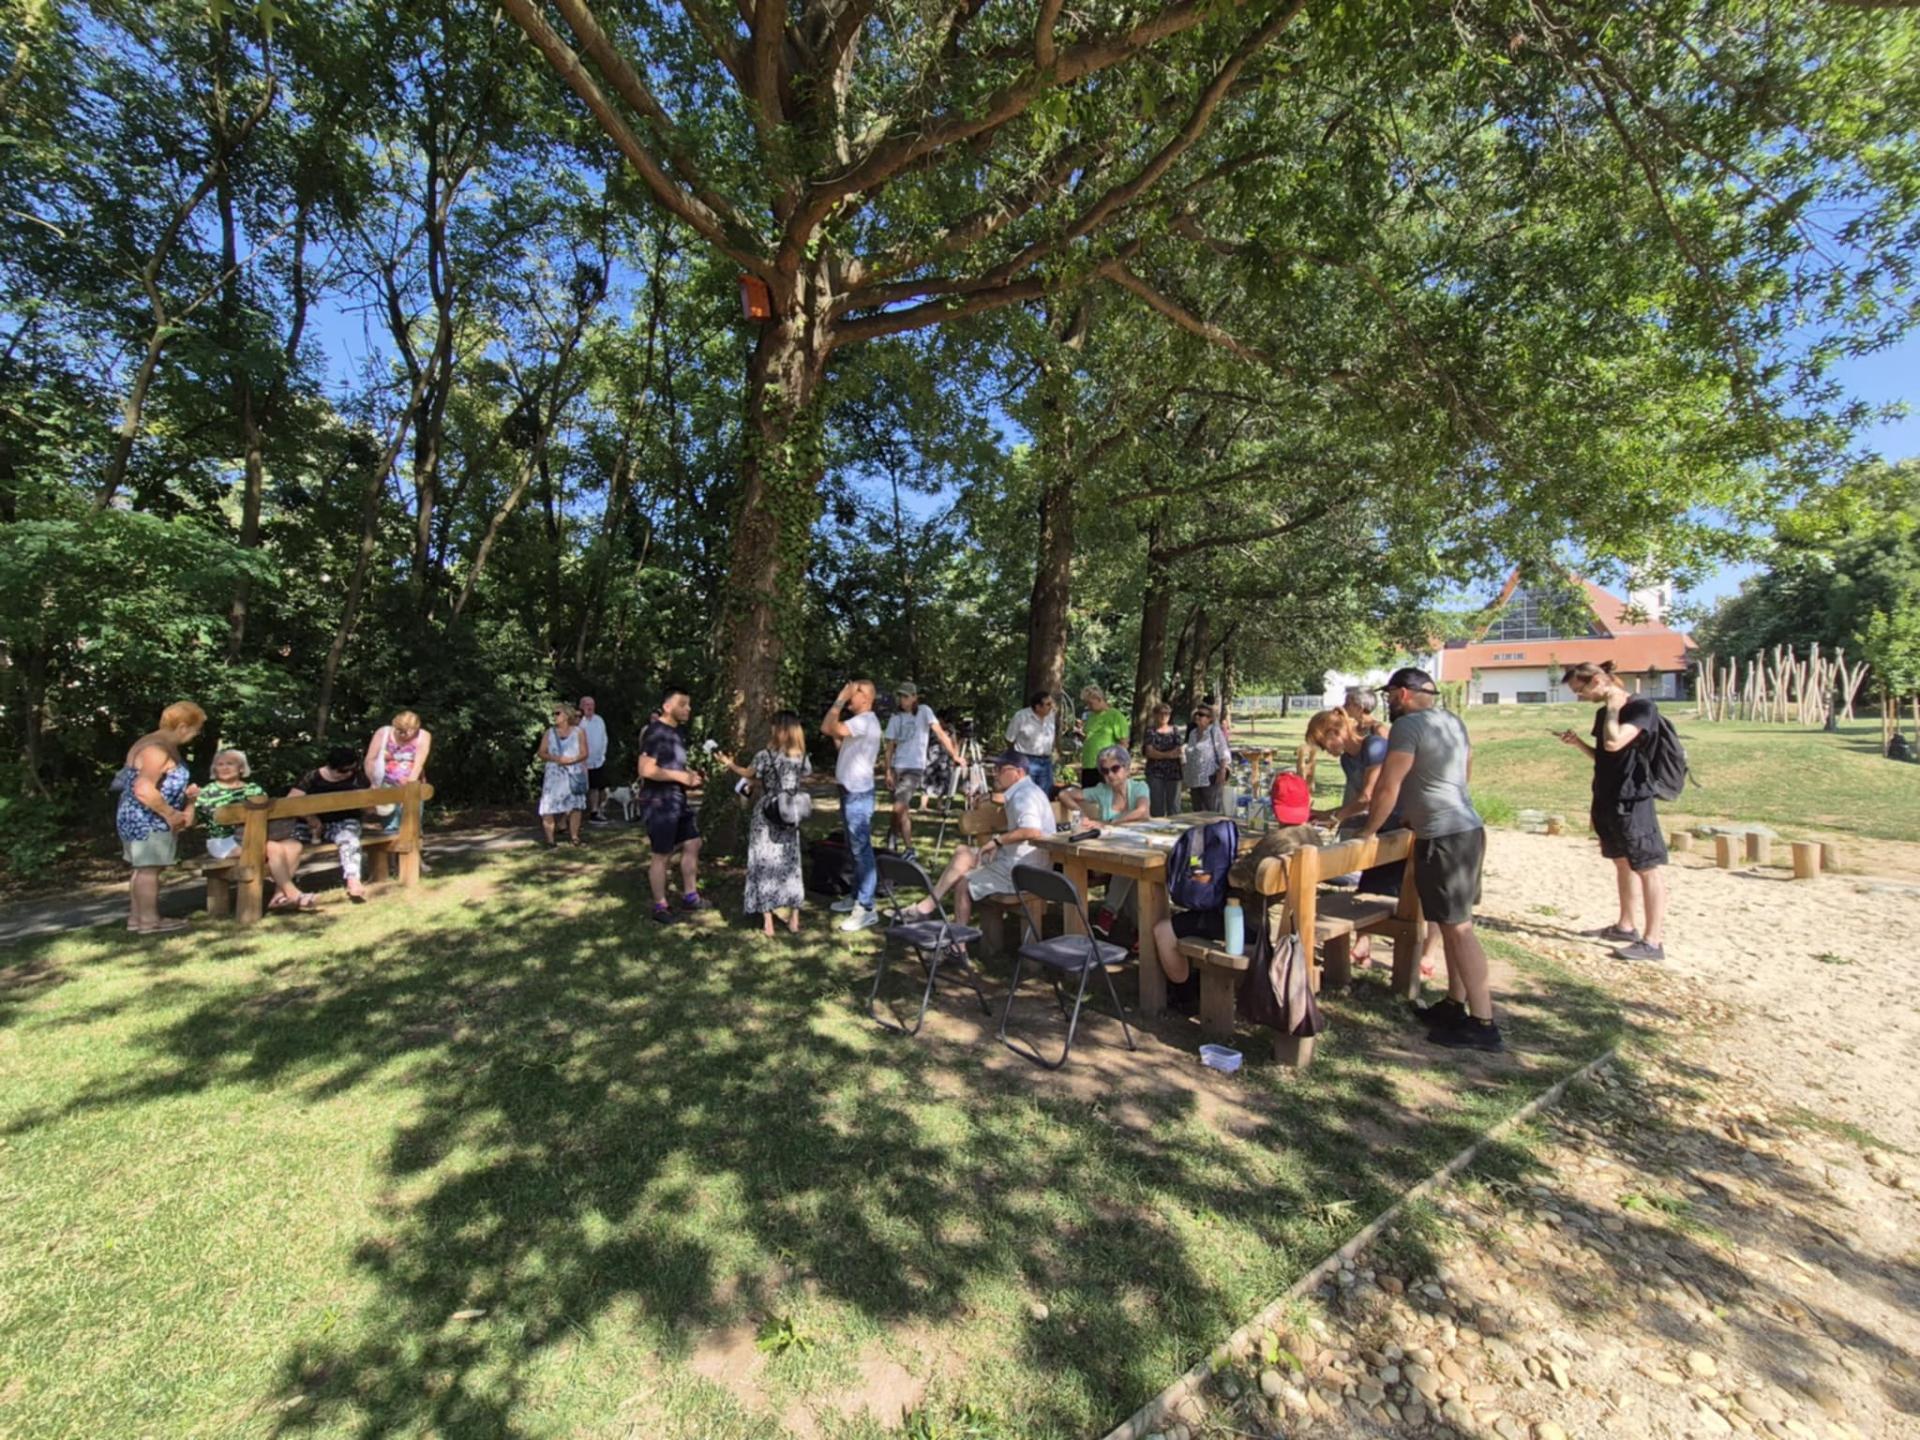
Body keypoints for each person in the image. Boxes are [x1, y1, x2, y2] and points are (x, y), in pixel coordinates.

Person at [1358, 668, 1499, 1051]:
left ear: (1403, 693)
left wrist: (1369, 832)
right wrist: (1418, 812)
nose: (1388, 702)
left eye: (1390, 695)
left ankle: (1483, 1024)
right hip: (1465, 830)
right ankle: (1455, 1004)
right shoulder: (1452, 721)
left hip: (1445, 838)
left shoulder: (1408, 726)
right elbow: (1462, 772)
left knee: (1459, 928)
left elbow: (1388, 785)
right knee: (1450, 923)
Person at [1557, 660, 1669, 962]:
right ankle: (1625, 926)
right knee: (1621, 862)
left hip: (1633, 799)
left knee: (1646, 866)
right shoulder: (1602, 713)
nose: (1580, 697)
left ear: (1596, 680)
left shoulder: (1641, 708)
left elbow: (1614, 742)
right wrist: (1578, 744)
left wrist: (1613, 708)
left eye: (1580, 690)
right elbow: (1604, 757)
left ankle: (1653, 942)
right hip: (1607, 797)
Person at [901, 751, 1054, 929]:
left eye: (1000, 769)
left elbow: (1031, 830)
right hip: (1026, 862)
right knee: (962, 853)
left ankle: (957, 940)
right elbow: (1012, 806)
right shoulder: (1028, 790)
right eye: (994, 768)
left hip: (1024, 871)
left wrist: (996, 841)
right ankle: (927, 906)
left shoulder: (1023, 796)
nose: (995, 773)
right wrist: (989, 798)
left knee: (963, 884)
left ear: (1018, 772)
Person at [116, 701, 206, 934]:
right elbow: (143, 788)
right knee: (149, 869)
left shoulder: (155, 743)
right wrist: (171, 814)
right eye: (196, 729)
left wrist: (186, 799)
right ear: (183, 726)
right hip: (148, 819)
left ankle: (136, 919)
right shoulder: (157, 749)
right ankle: (150, 921)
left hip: (138, 815)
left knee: (142, 869)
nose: (196, 735)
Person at [720, 711, 811, 937]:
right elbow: (802, 776)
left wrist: (729, 763)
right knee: (791, 864)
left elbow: (749, 773)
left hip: (768, 812)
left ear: (779, 729)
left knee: (763, 862)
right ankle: (794, 919)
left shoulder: (765, 755)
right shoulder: (802, 756)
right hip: (790, 812)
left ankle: (768, 922)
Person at [199, 748, 312, 912]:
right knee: (273, 848)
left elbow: (268, 813)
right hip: (225, 841)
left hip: (257, 835)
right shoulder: (207, 792)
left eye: (230, 763)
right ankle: (293, 893)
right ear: (214, 768)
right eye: (220, 764)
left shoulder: (254, 789)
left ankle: (279, 896)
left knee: (295, 846)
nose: (224, 768)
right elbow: (203, 818)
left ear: (241, 768)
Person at [822, 679, 885, 931]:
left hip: (858, 795)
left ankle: (867, 908)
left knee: (861, 851)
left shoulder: (865, 721)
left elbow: (828, 727)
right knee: (853, 849)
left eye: (854, 693)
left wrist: (839, 698)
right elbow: (832, 733)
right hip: (851, 792)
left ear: (866, 699)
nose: (850, 696)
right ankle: (856, 895)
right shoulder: (860, 723)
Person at [638, 687, 705, 922]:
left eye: (689, 704)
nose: (688, 709)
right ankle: (660, 907)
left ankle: (690, 897)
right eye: (682, 704)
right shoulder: (656, 732)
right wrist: (681, 777)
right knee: (662, 854)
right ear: (667, 707)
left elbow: (672, 766)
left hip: (677, 798)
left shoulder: (677, 732)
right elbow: (646, 770)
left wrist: (690, 776)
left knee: (693, 842)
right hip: (659, 801)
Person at [883, 682, 961, 858]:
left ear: (914, 697)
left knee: (898, 806)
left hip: (914, 767)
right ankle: (903, 844)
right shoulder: (895, 717)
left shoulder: (924, 711)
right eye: (900, 696)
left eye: (906, 696)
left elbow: (940, 734)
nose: (902, 700)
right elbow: (889, 746)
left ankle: (897, 839)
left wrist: (954, 755)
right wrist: (888, 771)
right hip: (897, 766)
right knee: (902, 809)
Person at [289, 746, 373, 902]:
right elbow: (291, 802)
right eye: (343, 770)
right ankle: (286, 887)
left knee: (349, 839)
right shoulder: (312, 777)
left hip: (343, 821)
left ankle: (353, 880)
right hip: (310, 824)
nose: (348, 774)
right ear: (330, 766)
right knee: (289, 843)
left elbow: (370, 804)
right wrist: (310, 818)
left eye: (352, 769)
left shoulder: (358, 778)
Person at [364, 710, 432, 842]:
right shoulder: (383, 733)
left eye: (410, 731)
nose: (406, 734)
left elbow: (418, 764)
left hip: (412, 786)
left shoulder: (424, 736)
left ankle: (414, 853)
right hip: (385, 785)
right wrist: (374, 783)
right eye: (401, 731)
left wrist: (408, 790)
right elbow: (370, 760)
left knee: (412, 825)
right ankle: (392, 854)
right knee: (390, 825)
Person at [536, 703, 590, 846]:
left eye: (557, 713)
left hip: (572, 773)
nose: (554, 716)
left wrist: (572, 760)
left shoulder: (578, 732)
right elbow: (541, 752)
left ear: (566, 715)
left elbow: (584, 753)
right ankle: (550, 840)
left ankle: (575, 837)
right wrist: (557, 759)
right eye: (554, 713)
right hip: (554, 774)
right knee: (548, 806)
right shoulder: (549, 733)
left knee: (575, 806)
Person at [1074, 686, 1130, 789]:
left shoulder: (1115, 716)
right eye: (1086, 704)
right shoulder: (1091, 716)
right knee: (1088, 796)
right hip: (1088, 765)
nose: (1088, 707)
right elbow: (1090, 737)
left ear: (1099, 699)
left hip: (1106, 766)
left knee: (1106, 796)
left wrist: (1116, 766)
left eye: (1090, 703)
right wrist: (1080, 735)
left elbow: (1123, 743)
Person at [1183, 701, 1232, 814]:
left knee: (1211, 811)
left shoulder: (1214, 731)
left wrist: (1222, 771)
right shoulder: (1193, 733)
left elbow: (1223, 752)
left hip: (1210, 778)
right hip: (1194, 779)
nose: (1197, 716)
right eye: (1197, 714)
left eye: (1201, 714)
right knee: (1197, 813)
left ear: (1210, 719)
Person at [1005, 690, 1058, 792]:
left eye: (1051, 703)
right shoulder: (1021, 717)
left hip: (1046, 761)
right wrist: (1017, 757)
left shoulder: (1050, 716)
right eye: (1048, 704)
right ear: (1038, 707)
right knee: (1026, 792)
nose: (1051, 707)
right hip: (1027, 760)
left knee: (1045, 793)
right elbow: (1009, 739)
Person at [1142, 702, 1184, 816]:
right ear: (1155, 715)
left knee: (1174, 807)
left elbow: (1179, 750)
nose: (1164, 716)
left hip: (1174, 772)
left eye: (1167, 713)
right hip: (1155, 772)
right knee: (1156, 807)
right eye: (1161, 713)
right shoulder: (1150, 731)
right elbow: (1149, 752)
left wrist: (1160, 754)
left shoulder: (1175, 730)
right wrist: (1169, 755)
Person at [579, 696, 611, 824]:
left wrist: (602, 755)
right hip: (580, 761)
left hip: (597, 761)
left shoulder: (599, 720)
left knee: (596, 787)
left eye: (592, 704)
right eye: (587, 704)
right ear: (581, 706)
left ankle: (594, 812)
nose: (590, 707)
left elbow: (604, 738)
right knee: (579, 787)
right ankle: (574, 814)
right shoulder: (579, 721)